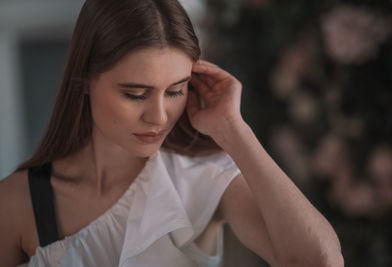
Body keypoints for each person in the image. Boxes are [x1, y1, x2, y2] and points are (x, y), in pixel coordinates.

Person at [0, 0, 344, 266]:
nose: (160, 116)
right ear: (85, 81)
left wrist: (234, 130)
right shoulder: (17, 203)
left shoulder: (204, 181)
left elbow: (321, 262)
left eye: (176, 90)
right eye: (135, 94)